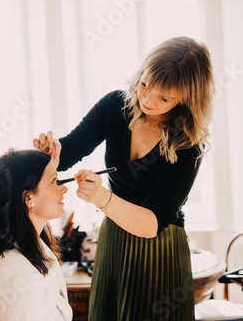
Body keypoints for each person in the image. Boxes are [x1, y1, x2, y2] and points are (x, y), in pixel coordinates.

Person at [33, 36, 214, 320]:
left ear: (187, 99)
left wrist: (103, 198)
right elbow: (69, 152)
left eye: (164, 98)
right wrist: (51, 154)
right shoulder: (115, 107)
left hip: (160, 248)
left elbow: (153, 222)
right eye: (145, 85)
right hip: (114, 239)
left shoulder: (188, 144)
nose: (148, 100)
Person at [0, 149, 73, 321]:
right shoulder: (11, 271)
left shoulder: (34, 247)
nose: (65, 188)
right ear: (29, 198)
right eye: (54, 181)